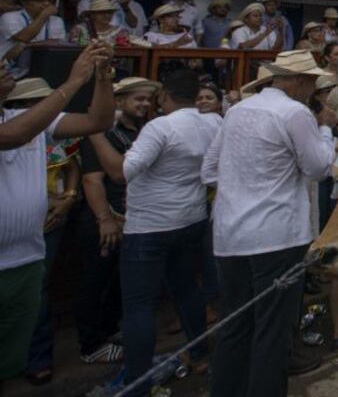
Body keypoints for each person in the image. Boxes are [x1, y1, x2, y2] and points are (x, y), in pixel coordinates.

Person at [202, 50, 335, 397]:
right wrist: (325, 129)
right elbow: (319, 168)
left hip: (231, 235)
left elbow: (209, 169)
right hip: (277, 235)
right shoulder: (296, 113)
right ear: (301, 81)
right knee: (273, 332)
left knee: (235, 326)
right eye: (312, 83)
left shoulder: (237, 110)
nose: (313, 90)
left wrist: (244, 187)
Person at [87, 69, 221, 395]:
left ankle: (138, 382)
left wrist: (94, 132)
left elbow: (120, 173)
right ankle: (200, 354)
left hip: (149, 226)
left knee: (139, 306)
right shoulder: (213, 122)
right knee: (187, 290)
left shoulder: (161, 126)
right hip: (190, 219)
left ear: (164, 96)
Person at [0, 44, 113, 383]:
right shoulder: (20, 126)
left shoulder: (24, 119)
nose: (5, 66)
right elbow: (14, 135)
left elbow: (98, 121)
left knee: (9, 359)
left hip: (26, 259)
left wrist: (102, 78)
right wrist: (75, 79)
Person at [76, 77, 158, 367]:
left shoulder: (143, 131)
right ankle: (91, 345)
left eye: (148, 99)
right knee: (94, 283)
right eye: (138, 99)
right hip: (105, 219)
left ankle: (110, 331)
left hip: (132, 219)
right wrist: (105, 219)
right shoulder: (101, 133)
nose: (145, 104)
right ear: (119, 101)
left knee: (117, 282)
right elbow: (92, 180)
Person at [9, 79, 82, 386]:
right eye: (33, 102)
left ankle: (37, 356)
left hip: (49, 220)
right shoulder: (11, 131)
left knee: (37, 288)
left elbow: (72, 165)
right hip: (14, 225)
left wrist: (68, 198)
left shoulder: (52, 130)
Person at [0, 0, 68, 77]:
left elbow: (57, 43)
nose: (47, 4)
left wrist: (28, 45)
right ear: (25, 3)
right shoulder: (9, 17)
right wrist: (43, 16)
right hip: (7, 70)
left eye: (50, 1)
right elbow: (23, 37)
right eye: (40, 0)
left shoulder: (56, 20)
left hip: (39, 68)